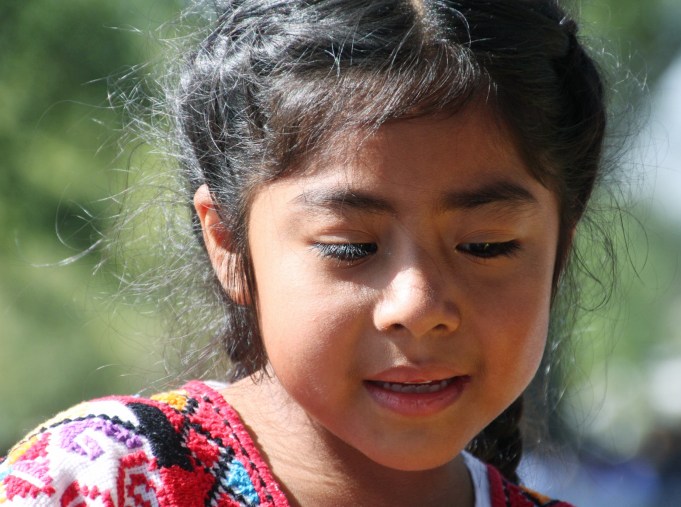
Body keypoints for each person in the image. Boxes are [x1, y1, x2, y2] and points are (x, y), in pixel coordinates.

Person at [0, 0, 607, 505]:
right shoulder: (96, 481)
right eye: (351, 247)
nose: (418, 306)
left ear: (558, 249)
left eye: (486, 245)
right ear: (229, 245)